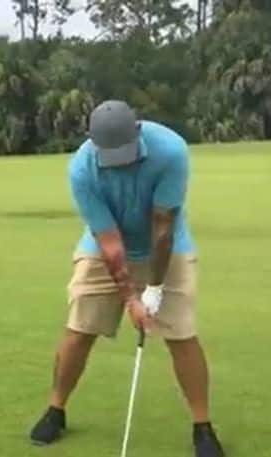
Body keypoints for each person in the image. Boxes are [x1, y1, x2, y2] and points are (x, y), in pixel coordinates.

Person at [28, 100, 225, 457]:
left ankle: (203, 426)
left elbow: (163, 225)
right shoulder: (81, 169)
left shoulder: (171, 150)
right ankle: (55, 409)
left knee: (181, 335)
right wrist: (131, 299)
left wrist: (154, 286)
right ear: (91, 140)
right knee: (79, 329)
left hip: (168, 247)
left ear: (138, 129)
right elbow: (109, 241)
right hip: (104, 248)